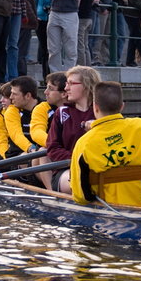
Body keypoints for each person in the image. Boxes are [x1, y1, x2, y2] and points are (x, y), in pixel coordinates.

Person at [45, 65, 100, 193]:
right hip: (67, 168)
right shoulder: (62, 112)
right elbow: (52, 148)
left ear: (86, 86)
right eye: (66, 84)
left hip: (99, 167)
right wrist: (79, 160)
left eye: (71, 83)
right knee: (83, 181)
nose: (66, 88)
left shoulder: (101, 112)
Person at [30, 71, 66, 188]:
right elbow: (36, 132)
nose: (45, 92)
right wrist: (56, 145)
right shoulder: (42, 108)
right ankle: (52, 192)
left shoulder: (76, 109)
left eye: (50, 89)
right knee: (42, 151)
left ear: (63, 93)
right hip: (49, 152)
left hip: (68, 154)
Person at [3, 75, 41, 159]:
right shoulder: (11, 111)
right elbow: (16, 135)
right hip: (17, 154)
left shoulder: (46, 108)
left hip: (42, 152)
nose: (11, 97)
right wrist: (31, 148)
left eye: (14, 94)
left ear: (27, 96)